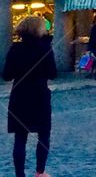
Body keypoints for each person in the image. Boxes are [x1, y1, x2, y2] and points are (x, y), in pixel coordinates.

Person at [4, 15, 56, 177]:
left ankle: (19, 174)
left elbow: (6, 75)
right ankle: (40, 171)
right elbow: (53, 73)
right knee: (44, 135)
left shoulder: (15, 48)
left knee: (20, 137)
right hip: (39, 95)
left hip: (19, 95)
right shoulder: (45, 48)